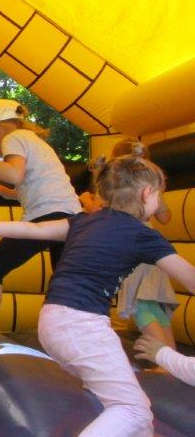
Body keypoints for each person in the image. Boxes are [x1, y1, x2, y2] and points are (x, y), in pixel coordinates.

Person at [0, 153, 195, 437]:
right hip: (83, 326)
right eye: (160, 194)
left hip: (54, 322)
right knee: (131, 408)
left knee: (135, 409)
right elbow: (190, 280)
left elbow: (37, 230)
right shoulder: (143, 234)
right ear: (146, 194)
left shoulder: (83, 221)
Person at [0, 99, 81, 358]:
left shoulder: (12, 138)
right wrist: (10, 193)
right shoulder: (34, 141)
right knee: (64, 282)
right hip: (71, 218)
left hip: (46, 216)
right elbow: (42, 183)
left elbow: (15, 174)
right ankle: (77, 343)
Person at [82, 140, 177, 360]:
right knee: (152, 301)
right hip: (153, 246)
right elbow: (165, 217)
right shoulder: (150, 186)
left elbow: (97, 211)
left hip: (129, 246)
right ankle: (172, 355)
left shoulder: (117, 186)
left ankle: (164, 358)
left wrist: (86, 198)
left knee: (139, 304)